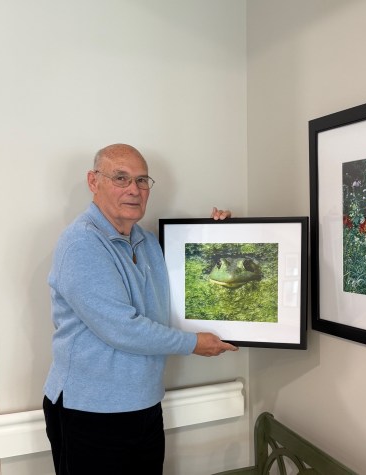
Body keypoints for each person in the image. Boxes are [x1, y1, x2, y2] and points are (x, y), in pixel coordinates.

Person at [43, 144, 238, 475]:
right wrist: (194, 344)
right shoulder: (82, 244)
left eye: (142, 180)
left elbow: (187, 279)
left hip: (144, 402)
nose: (134, 189)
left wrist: (216, 236)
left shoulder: (146, 242)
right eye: (121, 178)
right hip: (91, 410)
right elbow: (123, 328)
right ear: (93, 181)